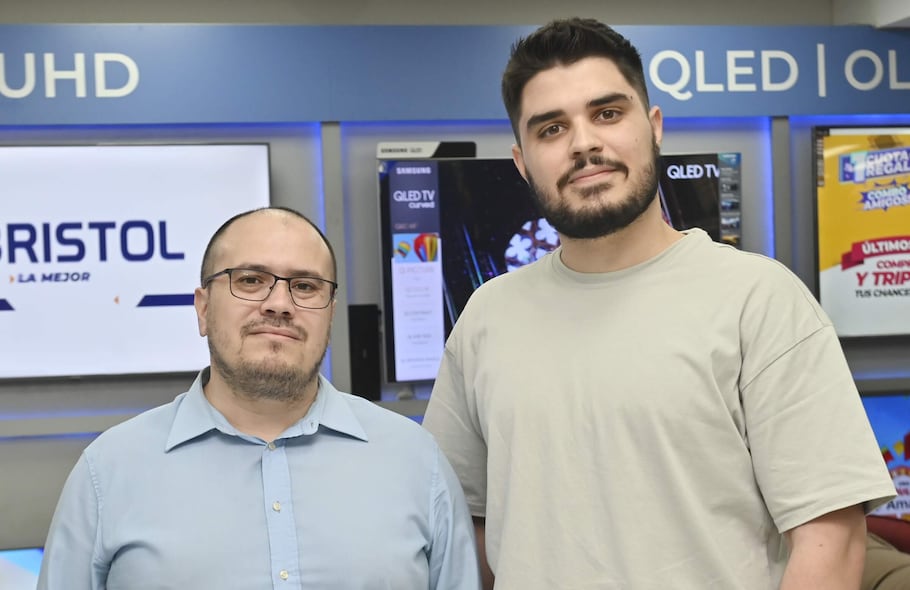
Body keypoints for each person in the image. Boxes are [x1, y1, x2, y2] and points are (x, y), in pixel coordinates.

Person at [422, 17, 897, 590]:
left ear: (653, 128)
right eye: (551, 128)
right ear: (523, 161)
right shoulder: (484, 319)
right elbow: (458, 530)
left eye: (607, 113)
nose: (584, 143)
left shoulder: (759, 300)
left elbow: (832, 541)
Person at [39, 206, 481, 590]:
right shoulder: (109, 471)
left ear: (329, 311)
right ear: (203, 308)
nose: (279, 304)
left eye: (305, 286)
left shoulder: (415, 461)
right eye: (251, 280)